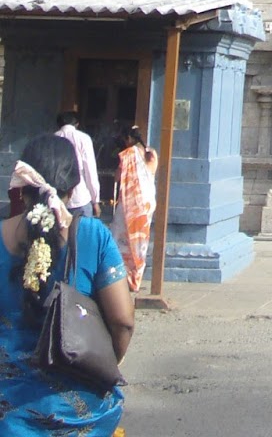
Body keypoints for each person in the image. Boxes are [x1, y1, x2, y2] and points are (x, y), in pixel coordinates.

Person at [1, 132, 133, 434]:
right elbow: (123, 321)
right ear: (73, 189)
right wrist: (103, 364)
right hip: (79, 414)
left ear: (22, 188)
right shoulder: (94, 236)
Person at [112, 122, 158, 292]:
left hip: (130, 203)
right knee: (141, 241)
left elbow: (118, 177)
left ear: (129, 138)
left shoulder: (128, 154)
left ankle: (123, 277)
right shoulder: (152, 154)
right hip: (147, 202)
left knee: (120, 238)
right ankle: (136, 277)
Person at [55, 110, 100, 219]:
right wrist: (95, 201)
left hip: (57, 198)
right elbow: (90, 171)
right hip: (80, 197)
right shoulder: (83, 138)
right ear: (77, 124)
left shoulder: (53, 138)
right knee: (84, 233)